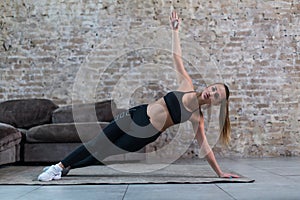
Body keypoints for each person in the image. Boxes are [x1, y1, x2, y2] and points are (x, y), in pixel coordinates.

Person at [38, 11, 240, 181]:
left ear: (215, 103)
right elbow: (176, 57)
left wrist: (220, 172)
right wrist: (175, 31)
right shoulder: (187, 84)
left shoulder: (197, 118)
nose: (211, 93)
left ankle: (67, 167)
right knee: (97, 143)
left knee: (103, 154)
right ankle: (58, 167)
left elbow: (205, 148)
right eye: (214, 88)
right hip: (136, 114)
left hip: (143, 134)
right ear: (209, 86)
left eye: (216, 96)